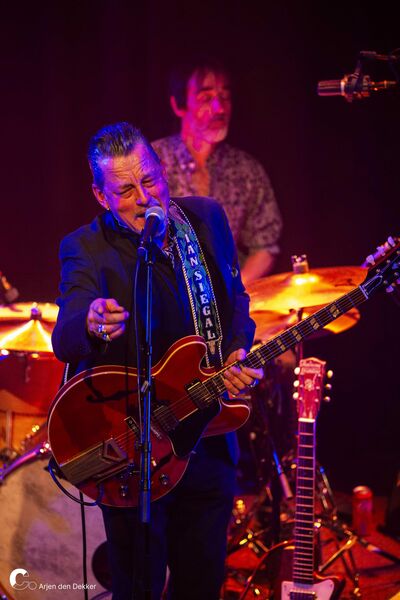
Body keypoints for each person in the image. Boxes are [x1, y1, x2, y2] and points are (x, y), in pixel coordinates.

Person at [51, 121, 263, 600]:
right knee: (138, 586)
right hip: (135, 447)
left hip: (208, 433)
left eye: (149, 180)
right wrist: (91, 321)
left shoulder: (206, 217)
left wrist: (236, 348)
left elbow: (237, 300)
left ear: (162, 170)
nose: (144, 197)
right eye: (125, 190)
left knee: (202, 583)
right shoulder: (85, 247)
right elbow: (64, 338)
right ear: (101, 196)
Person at [152, 57, 282, 286]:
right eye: (206, 98)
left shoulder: (246, 169)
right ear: (179, 105)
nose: (219, 108)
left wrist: (232, 291)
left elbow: (265, 245)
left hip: (230, 296)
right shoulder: (152, 161)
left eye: (225, 97)